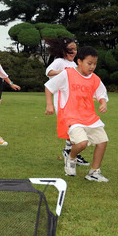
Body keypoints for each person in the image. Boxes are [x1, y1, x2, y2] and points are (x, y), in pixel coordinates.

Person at [45, 46, 110, 182]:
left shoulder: (95, 79)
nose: (92, 67)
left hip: (89, 117)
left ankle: (94, 172)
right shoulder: (67, 74)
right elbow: (49, 86)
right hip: (71, 117)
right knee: (82, 143)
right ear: (79, 61)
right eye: (89, 63)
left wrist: (103, 102)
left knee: (102, 141)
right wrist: (49, 104)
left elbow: (101, 93)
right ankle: (71, 157)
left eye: (95, 64)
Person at [45, 37, 89, 166]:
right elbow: (48, 72)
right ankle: (69, 152)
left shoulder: (74, 64)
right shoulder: (59, 61)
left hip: (74, 103)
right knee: (74, 128)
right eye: (71, 49)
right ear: (63, 50)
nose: (74, 52)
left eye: (75, 49)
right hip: (62, 103)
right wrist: (64, 71)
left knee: (76, 128)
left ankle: (69, 150)